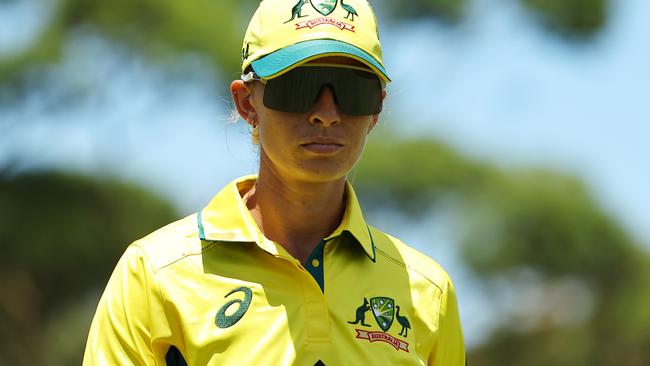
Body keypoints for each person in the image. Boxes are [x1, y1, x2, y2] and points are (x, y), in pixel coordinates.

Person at [83, 0, 466, 364]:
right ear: (247, 103)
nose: (327, 114)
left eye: (353, 90)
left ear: (376, 109)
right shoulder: (155, 274)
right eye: (299, 86)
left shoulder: (427, 292)